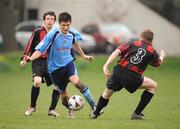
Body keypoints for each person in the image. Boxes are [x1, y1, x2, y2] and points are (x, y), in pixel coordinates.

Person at [21, 12, 96, 114]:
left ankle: (94, 107)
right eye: (63, 25)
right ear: (59, 24)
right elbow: (40, 50)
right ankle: (69, 109)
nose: (65, 28)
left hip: (68, 63)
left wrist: (83, 55)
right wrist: (30, 58)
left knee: (76, 82)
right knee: (64, 95)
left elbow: (75, 42)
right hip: (55, 69)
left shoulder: (72, 33)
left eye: (68, 25)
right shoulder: (52, 34)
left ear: (71, 23)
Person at [90, 29, 166, 120]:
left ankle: (95, 113)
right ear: (151, 41)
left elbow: (116, 51)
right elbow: (157, 63)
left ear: (140, 38)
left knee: (107, 93)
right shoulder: (152, 51)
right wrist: (162, 55)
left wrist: (106, 66)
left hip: (118, 70)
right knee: (153, 86)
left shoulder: (132, 43)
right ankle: (137, 113)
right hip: (132, 76)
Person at [20, 11, 74, 118]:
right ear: (44, 20)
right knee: (37, 82)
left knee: (58, 87)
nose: (49, 21)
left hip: (52, 62)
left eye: (51, 19)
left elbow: (67, 47)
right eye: (47, 19)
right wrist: (25, 58)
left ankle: (52, 109)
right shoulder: (37, 32)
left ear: (54, 21)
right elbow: (29, 45)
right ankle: (32, 107)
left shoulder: (57, 33)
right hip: (38, 62)